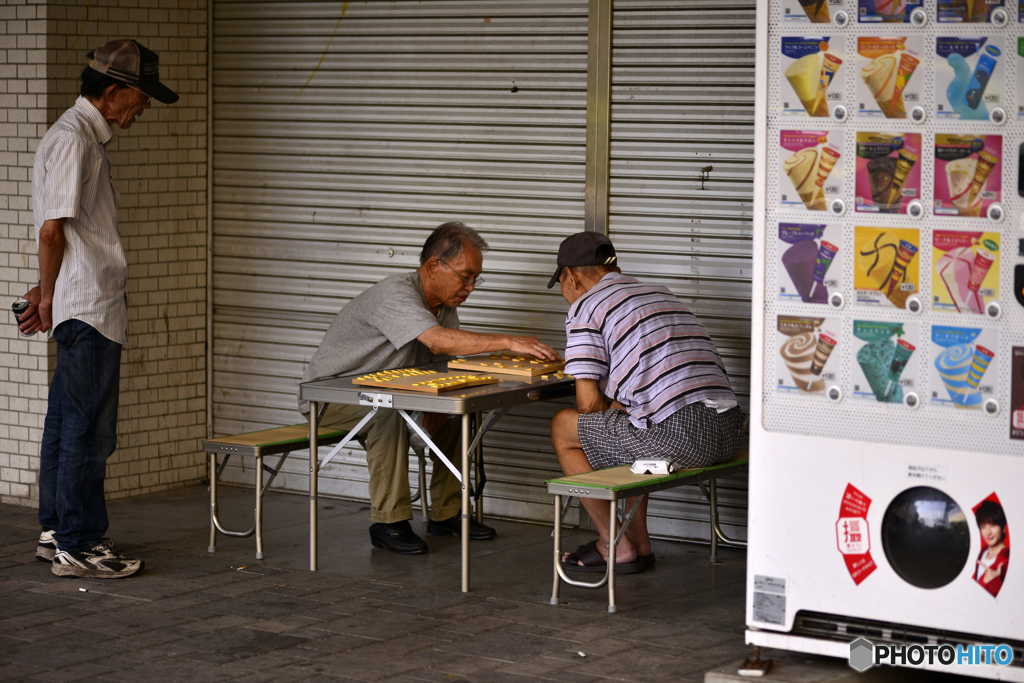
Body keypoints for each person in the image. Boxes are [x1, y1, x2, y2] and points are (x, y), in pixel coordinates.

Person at [17, 40, 178, 578]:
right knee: (88, 431)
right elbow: (51, 231)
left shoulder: (78, 137)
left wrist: (46, 291)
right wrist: (47, 295)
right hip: (88, 309)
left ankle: (56, 532)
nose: (145, 106)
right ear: (113, 91)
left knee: (66, 425)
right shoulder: (74, 140)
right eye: (141, 95)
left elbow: (64, 233)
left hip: (83, 303)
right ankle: (79, 543)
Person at [299, 221, 560, 554]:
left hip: (390, 392)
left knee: (457, 413)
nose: (471, 287)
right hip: (329, 397)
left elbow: (444, 360)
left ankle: (447, 512)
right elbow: (439, 342)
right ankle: (388, 522)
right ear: (434, 266)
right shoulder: (396, 294)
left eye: (476, 278)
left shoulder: (444, 308)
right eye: (465, 276)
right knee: (384, 412)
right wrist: (509, 341)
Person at [548, 232, 743, 574]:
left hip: (681, 438)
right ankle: (639, 542)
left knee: (564, 426)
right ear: (615, 269)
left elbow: (587, 404)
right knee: (632, 422)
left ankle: (613, 545)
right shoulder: (658, 291)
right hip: (729, 433)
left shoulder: (585, 306)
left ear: (571, 276)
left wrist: (609, 406)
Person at [974, 500, 1009, 597]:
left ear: (1003, 528)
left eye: (993, 525)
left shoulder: (1008, 559)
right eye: (983, 527)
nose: (988, 532)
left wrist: (995, 582)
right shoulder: (983, 552)